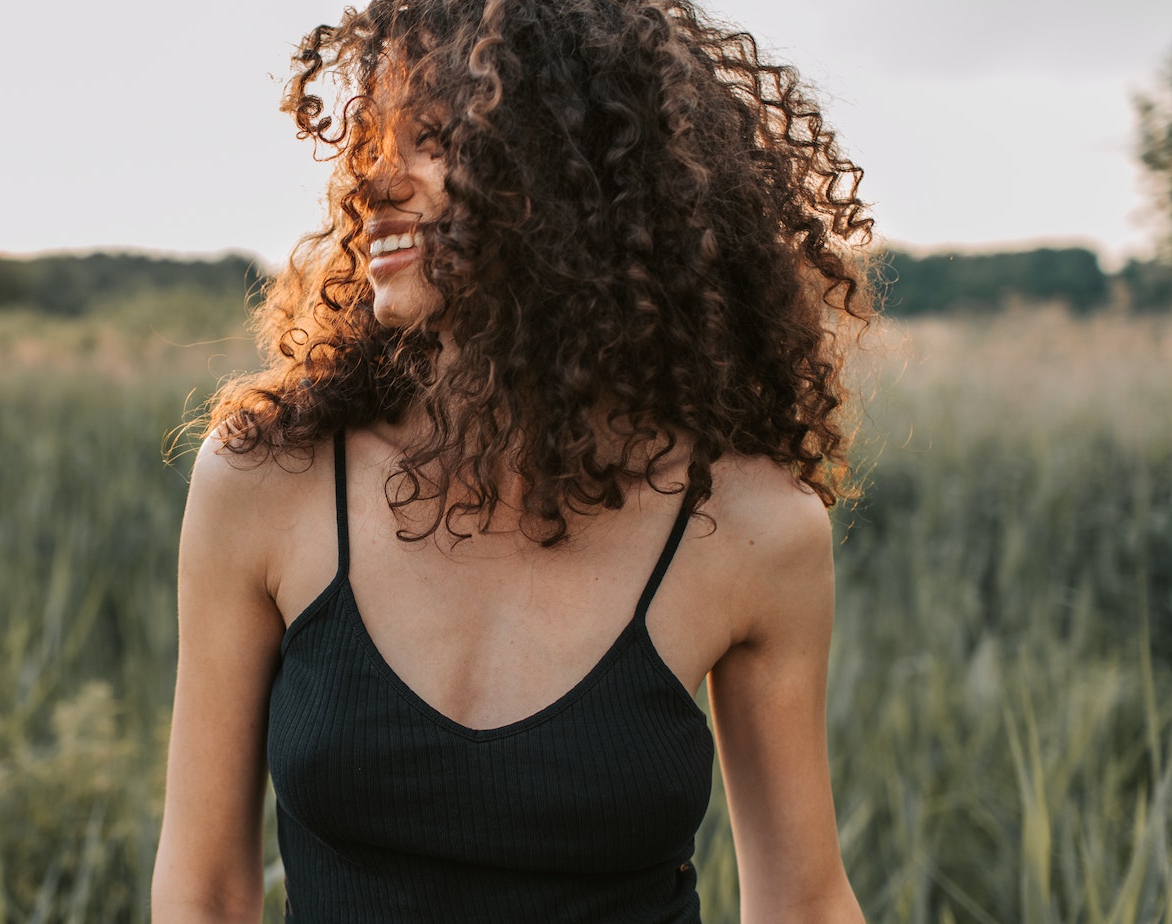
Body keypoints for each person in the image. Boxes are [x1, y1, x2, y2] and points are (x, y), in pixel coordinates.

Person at [152, 1, 874, 921]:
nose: (373, 183)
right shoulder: (269, 479)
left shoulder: (752, 528)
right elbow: (204, 892)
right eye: (372, 139)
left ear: (569, 176)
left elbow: (804, 902)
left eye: (433, 139)